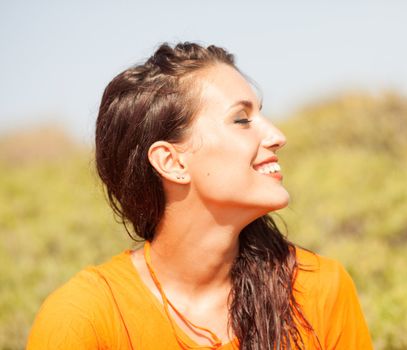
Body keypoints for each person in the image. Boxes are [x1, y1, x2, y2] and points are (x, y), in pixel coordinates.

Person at [26, 42, 373, 350]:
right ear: (172, 162)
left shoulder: (319, 289)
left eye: (260, 114)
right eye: (241, 120)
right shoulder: (84, 319)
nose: (277, 136)